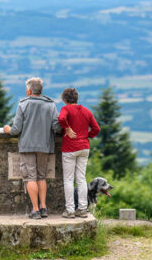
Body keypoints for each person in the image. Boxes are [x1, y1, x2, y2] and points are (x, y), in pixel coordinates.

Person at [3, 77, 61, 219]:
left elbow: (16, 129)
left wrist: (8, 129)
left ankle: (35, 210)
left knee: (30, 177)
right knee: (42, 176)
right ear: (40, 90)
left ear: (29, 90)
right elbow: (56, 127)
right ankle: (43, 207)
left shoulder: (23, 105)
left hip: (27, 146)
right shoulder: (51, 105)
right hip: (45, 146)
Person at [58, 87, 100, 218]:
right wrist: (86, 135)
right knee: (81, 178)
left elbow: (61, 119)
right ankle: (82, 209)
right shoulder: (86, 111)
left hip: (70, 148)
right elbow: (96, 128)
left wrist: (67, 128)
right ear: (76, 98)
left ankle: (70, 210)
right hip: (84, 147)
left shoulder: (66, 109)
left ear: (64, 100)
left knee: (69, 179)